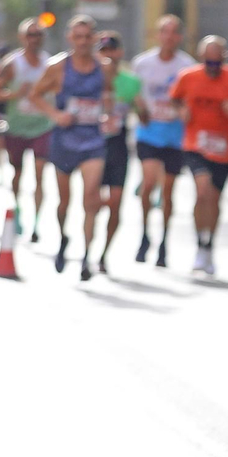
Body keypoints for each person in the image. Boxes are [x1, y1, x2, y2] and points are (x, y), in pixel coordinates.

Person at [30, 15, 116, 280]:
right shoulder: (57, 67)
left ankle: (87, 256)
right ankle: (63, 237)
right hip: (65, 139)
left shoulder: (105, 67)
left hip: (92, 139)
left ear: (94, 38)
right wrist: (56, 115)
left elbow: (108, 94)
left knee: (91, 197)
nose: (82, 42)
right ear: (70, 38)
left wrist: (107, 115)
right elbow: (35, 95)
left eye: (87, 36)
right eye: (77, 37)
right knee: (64, 201)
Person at [169, 35, 228, 276]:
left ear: (224, 60)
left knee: (215, 199)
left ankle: (209, 245)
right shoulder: (188, 77)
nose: (212, 69)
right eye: (208, 63)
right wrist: (181, 111)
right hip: (195, 144)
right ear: (201, 59)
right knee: (203, 190)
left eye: (216, 64)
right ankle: (199, 242)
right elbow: (174, 99)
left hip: (223, 149)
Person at [130, 14, 196, 266]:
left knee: (168, 191)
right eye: (164, 32)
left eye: (174, 32)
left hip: (175, 137)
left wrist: (183, 111)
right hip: (148, 133)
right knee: (148, 185)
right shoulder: (142, 63)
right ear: (158, 35)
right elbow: (135, 94)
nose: (169, 37)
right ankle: (145, 233)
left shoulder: (187, 66)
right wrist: (140, 110)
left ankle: (164, 241)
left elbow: (190, 100)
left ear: (180, 36)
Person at [0, 19, 54, 241]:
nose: (34, 39)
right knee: (17, 174)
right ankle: (17, 209)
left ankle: (36, 222)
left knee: (40, 174)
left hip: (42, 126)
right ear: (22, 37)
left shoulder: (51, 63)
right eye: (30, 34)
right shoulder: (12, 64)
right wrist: (15, 95)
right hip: (17, 128)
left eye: (38, 35)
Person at [93, 31, 140, 274]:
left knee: (115, 204)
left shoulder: (130, 82)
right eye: (102, 51)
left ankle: (103, 254)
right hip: (93, 145)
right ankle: (88, 248)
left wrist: (141, 108)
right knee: (92, 202)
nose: (107, 56)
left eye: (111, 50)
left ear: (119, 52)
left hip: (119, 146)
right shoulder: (89, 79)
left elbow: (143, 112)